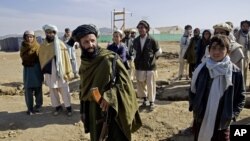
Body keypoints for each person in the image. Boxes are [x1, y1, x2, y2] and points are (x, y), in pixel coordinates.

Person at [72, 24, 142, 141]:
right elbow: (83, 88)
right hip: (93, 109)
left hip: (112, 109)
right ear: (80, 43)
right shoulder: (84, 63)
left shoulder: (110, 58)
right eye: (86, 42)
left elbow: (126, 85)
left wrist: (110, 96)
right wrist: (83, 111)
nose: (90, 45)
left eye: (93, 41)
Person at [189, 34, 245, 141]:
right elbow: (192, 91)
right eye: (213, 48)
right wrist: (195, 107)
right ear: (209, 50)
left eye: (221, 48)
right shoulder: (201, 69)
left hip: (222, 122)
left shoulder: (235, 72)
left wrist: (231, 115)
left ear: (228, 51)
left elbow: (240, 97)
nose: (216, 52)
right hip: (201, 118)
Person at [39, 24, 74, 116]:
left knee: (64, 89)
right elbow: (42, 59)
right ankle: (57, 106)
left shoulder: (61, 44)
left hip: (61, 71)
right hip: (49, 71)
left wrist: (68, 71)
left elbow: (66, 59)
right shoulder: (43, 46)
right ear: (45, 33)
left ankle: (68, 107)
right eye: (48, 32)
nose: (49, 34)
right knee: (53, 90)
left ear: (54, 33)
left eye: (51, 32)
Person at [133, 20, 162, 110]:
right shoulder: (136, 40)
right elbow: (134, 52)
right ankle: (144, 100)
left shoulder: (152, 40)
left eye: (142, 28)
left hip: (150, 67)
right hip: (139, 66)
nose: (140, 29)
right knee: (140, 83)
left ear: (146, 29)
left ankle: (151, 102)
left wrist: (152, 60)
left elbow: (158, 53)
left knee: (150, 84)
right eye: (139, 28)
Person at [20, 30, 43, 115]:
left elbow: (41, 58)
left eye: (31, 37)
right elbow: (23, 57)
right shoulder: (23, 47)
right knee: (28, 90)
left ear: (34, 38)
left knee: (38, 89)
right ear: (25, 37)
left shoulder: (38, 47)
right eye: (27, 37)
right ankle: (30, 108)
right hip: (27, 71)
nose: (29, 38)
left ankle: (38, 106)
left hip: (36, 70)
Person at [234, 20, 250, 87]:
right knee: (238, 72)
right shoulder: (237, 34)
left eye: (247, 26)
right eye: (244, 26)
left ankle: (243, 87)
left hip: (246, 56)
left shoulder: (249, 34)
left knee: (245, 72)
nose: (245, 27)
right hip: (238, 56)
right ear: (241, 26)